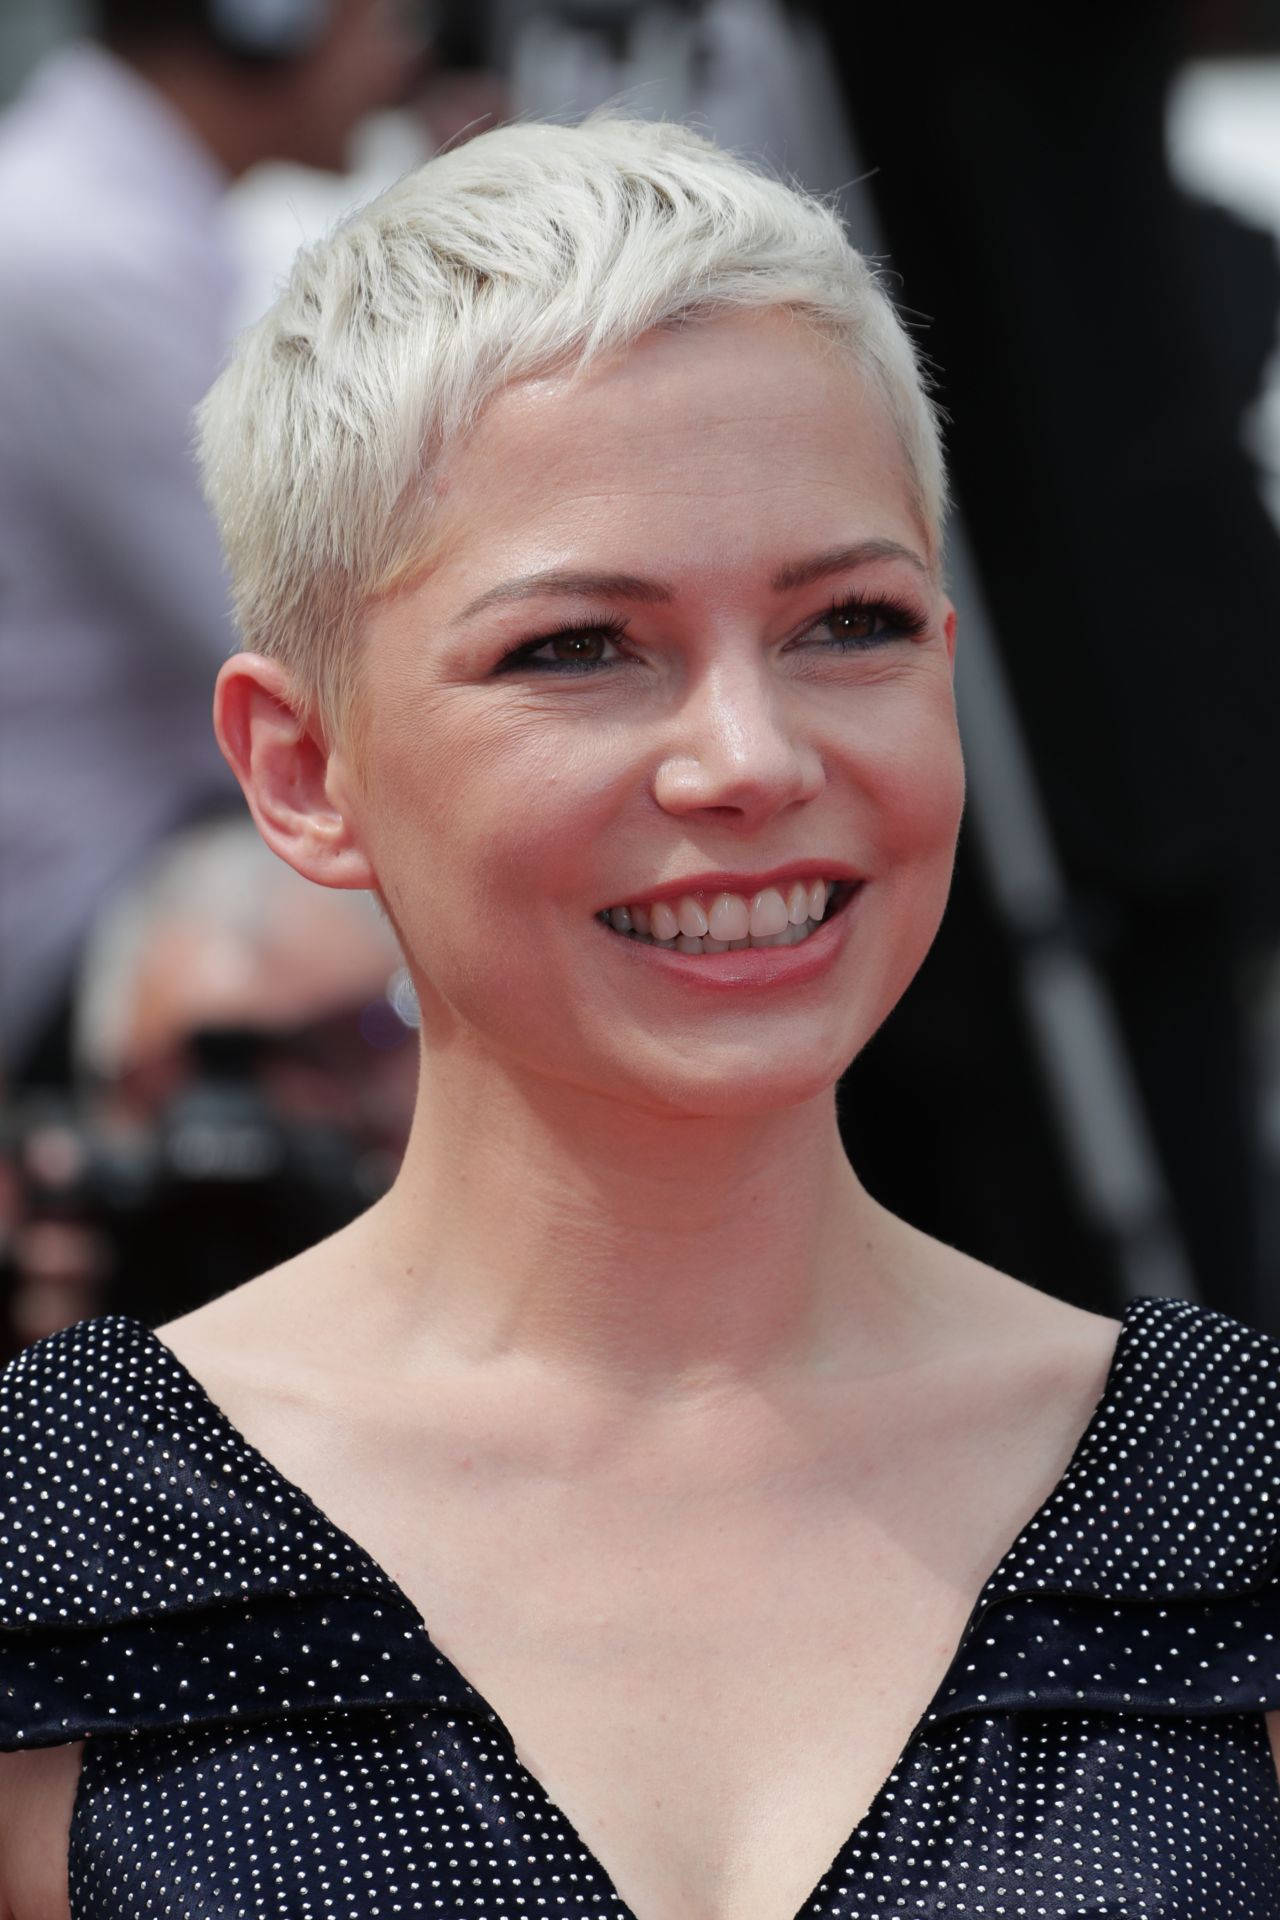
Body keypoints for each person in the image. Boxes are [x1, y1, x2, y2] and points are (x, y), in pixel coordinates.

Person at [1, 113, 1279, 1917]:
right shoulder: (51, 1549)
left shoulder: (1235, 1508)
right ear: (304, 768)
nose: (751, 761)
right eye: (578, 649)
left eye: (849, 623)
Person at [0, 0, 418, 1089]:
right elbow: (294, 623)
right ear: (260, 18)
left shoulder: (96, 211)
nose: (407, 51)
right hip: (83, 911)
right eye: (387, 13)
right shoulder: (76, 257)